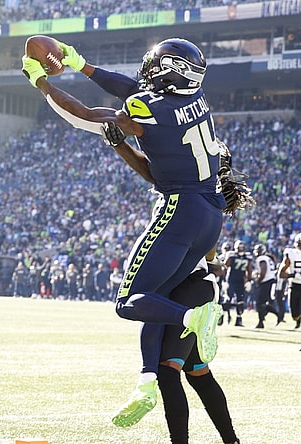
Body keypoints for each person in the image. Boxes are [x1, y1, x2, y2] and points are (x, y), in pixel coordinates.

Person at [22, 37, 224, 426]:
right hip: (209, 212)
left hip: (180, 210)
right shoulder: (192, 100)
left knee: (130, 300)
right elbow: (134, 94)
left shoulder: (150, 108)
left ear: (167, 73)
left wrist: (40, 82)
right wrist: (83, 65)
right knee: (156, 297)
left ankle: (193, 319)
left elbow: (82, 115)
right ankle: (147, 381)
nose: (147, 70)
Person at [158, 255, 240, 444]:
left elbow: (210, 251)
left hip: (188, 287)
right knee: (198, 373)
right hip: (190, 287)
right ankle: (231, 440)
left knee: (168, 371)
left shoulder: (188, 223)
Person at [224, 240, 252, 327]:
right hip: (231, 280)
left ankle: (238, 319)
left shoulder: (247, 257)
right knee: (228, 299)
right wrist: (224, 280)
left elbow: (249, 270)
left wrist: (248, 280)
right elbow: (225, 267)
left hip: (240, 280)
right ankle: (222, 315)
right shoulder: (232, 255)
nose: (240, 250)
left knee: (240, 301)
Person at [253, 244, 280, 328]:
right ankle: (263, 320)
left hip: (266, 281)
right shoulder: (268, 258)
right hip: (270, 280)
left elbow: (263, 271)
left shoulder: (262, 259)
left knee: (259, 303)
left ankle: (263, 321)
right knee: (263, 303)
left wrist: (258, 280)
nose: (256, 253)